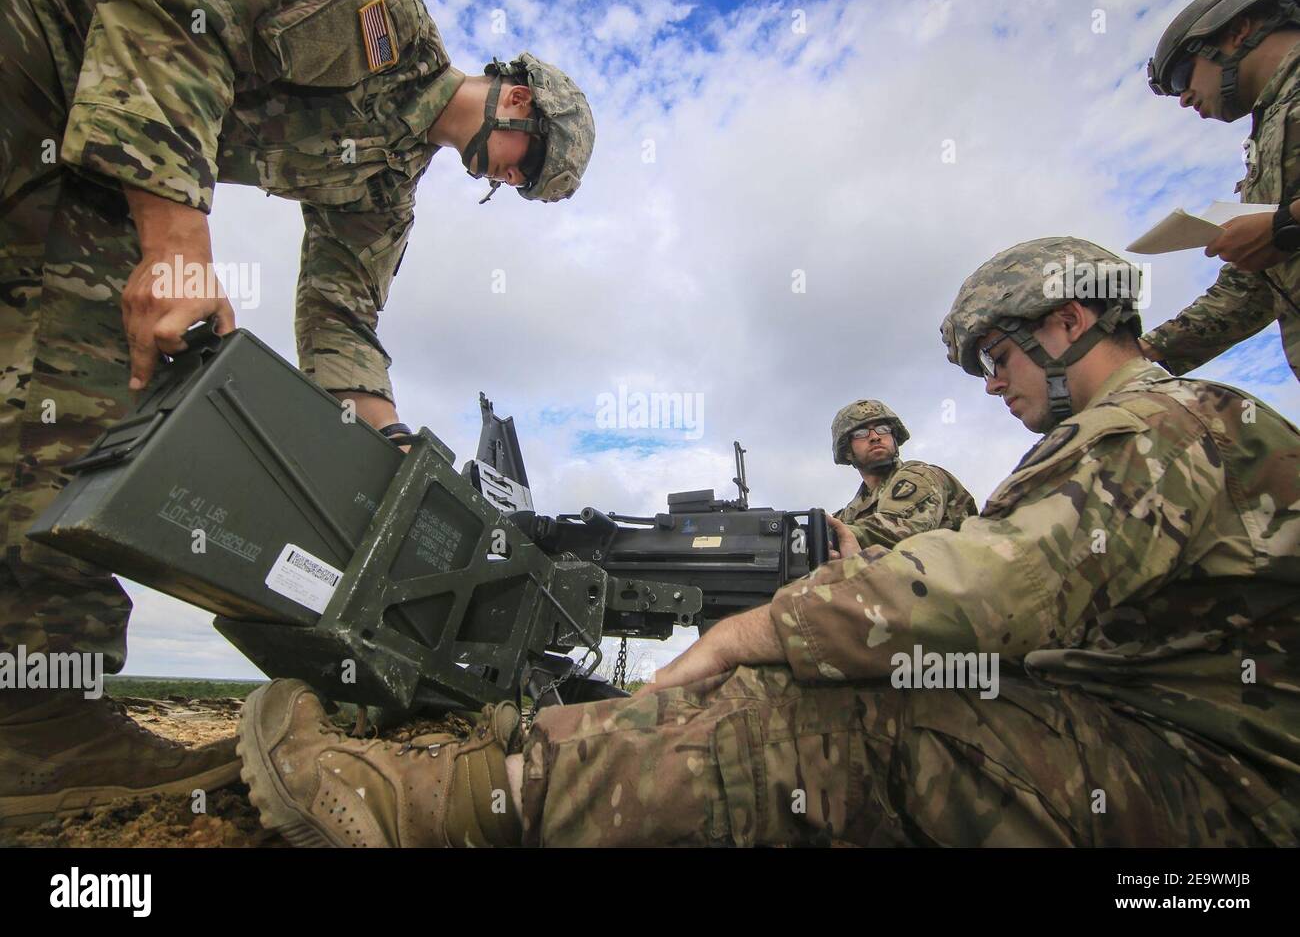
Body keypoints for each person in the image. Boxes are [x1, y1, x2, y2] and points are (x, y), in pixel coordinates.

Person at [237, 236, 1300, 847]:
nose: (990, 383)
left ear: (1066, 323)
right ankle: (500, 768)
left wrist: (754, 631)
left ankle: (412, 808)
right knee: (819, 688)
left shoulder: (1163, 427)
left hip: (1217, 788)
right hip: (1152, 741)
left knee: (832, 724)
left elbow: (987, 594)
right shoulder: (1144, 432)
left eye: (996, 354)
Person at [0, 0, 593, 827]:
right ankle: (38, 724)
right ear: (520, 100)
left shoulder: (386, 187)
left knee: (47, 386)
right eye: (523, 165)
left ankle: (31, 716)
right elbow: (163, 13)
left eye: (520, 187)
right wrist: (177, 247)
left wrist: (394, 448)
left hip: (91, 157)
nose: (507, 178)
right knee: (81, 384)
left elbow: (339, 316)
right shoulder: (375, 18)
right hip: (47, 57)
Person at [1143, 0, 1300, 381]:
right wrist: (1138, 355)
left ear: (1237, 30)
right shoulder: (1267, 138)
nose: (1183, 97)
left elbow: (1283, 233)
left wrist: (1286, 226)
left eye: (1182, 75)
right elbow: (1250, 292)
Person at [829, 399, 976, 549]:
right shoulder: (851, 512)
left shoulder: (919, 476)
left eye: (883, 429)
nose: (875, 437)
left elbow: (900, 529)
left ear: (894, 438)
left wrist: (834, 537)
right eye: (861, 433)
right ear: (847, 451)